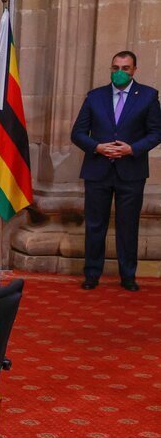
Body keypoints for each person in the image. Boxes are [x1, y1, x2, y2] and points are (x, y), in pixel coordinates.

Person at [70, 50, 161, 292]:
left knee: (128, 226)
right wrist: (97, 147)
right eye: (115, 68)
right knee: (95, 225)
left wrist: (133, 149)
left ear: (134, 70)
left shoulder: (149, 97)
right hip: (98, 170)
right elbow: (77, 133)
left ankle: (128, 275)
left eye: (125, 68)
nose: (119, 73)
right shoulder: (94, 96)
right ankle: (91, 274)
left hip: (131, 172)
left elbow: (156, 133)